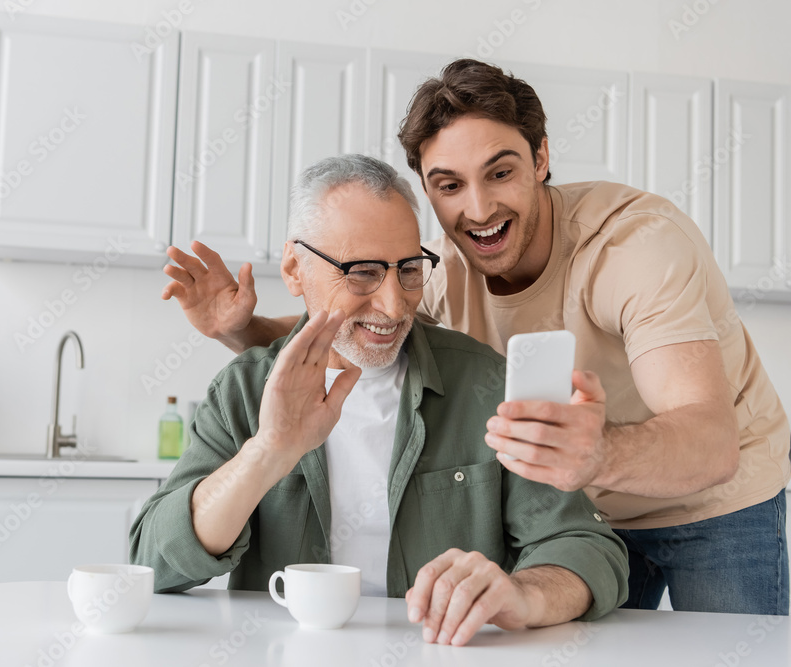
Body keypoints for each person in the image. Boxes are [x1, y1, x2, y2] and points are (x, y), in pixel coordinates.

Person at [159, 59, 790, 617]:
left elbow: (712, 444)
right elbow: (362, 329)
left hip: (709, 503)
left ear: (542, 158)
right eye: (450, 185)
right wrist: (241, 328)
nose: (480, 209)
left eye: (502, 172)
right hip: (579, 509)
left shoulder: (633, 247)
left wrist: (598, 456)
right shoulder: (429, 268)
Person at [131, 155, 628, 647]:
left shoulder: (485, 384)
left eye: (409, 269)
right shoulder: (243, 391)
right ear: (294, 270)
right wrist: (268, 451)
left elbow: (588, 547)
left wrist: (523, 595)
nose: (393, 306)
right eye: (362, 272)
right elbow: (153, 561)